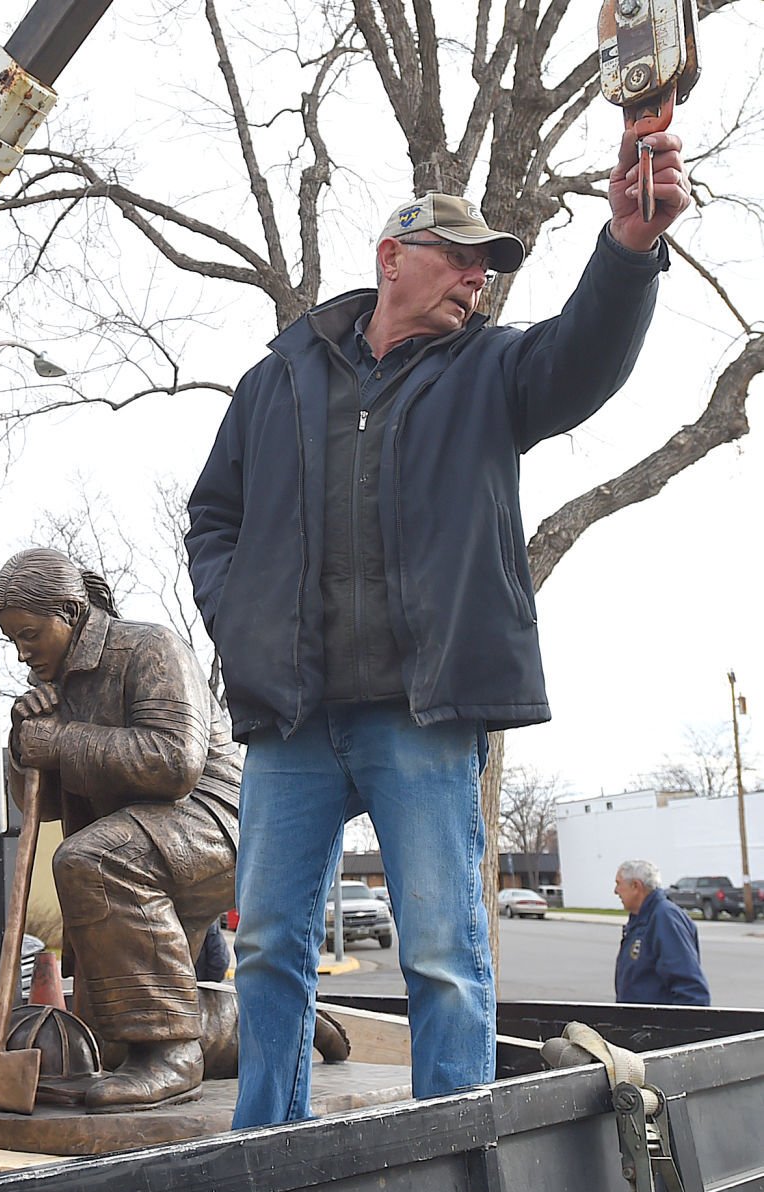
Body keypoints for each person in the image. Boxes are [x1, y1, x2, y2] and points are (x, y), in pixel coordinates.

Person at [185, 126, 692, 1129]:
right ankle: (260, 1152)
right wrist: (237, 622)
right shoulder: (277, 381)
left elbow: (584, 353)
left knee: (440, 949)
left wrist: (628, 249)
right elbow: (214, 518)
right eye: (461, 259)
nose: (478, 282)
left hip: (421, 714)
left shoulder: (489, 372)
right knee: (269, 945)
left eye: (489, 269)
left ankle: (453, 1158)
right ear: (392, 260)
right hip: (290, 717)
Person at [0, 547, 239, 1110]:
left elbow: (175, 760)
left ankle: (173, 1056)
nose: (23, 652)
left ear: (71, 611)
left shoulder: (149, 647)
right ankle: (265, 1026)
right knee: (112, 1042)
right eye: (13, 641)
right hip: (147, 840)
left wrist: (60, 742)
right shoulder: (59, 690)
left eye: (31, 634)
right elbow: (45, 806)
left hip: (217, 819)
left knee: (93, 860)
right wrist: (23, 744)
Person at [614, 859, 710, 1006]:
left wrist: (683, 1026)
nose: (616, 891)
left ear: (636, 886)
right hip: (637, 1024)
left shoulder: (665, 918)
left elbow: (691, 989)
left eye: (618, 883)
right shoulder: (640, 919)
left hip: (657, 1025)